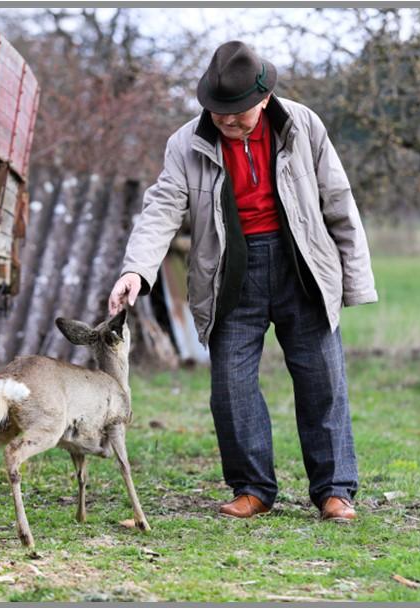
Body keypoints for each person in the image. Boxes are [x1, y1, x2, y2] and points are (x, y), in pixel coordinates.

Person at [108, 40, 377, 522]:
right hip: (230, 273)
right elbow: (163, 209)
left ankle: (335, 491)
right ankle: (252, 488)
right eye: (219, 112)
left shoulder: (303, 125)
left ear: (264, 99)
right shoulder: (185, 144)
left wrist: (354, 281)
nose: (228, 122)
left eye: (238, 113)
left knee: (323, 382)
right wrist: (137, 270)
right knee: (230, 387)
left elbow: (339, 201)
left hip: (302, 267)